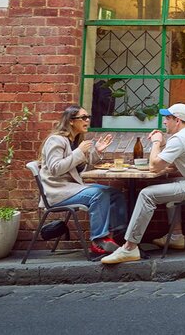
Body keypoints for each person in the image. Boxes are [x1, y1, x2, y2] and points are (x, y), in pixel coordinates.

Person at [101, 103, 185, 264]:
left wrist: (156, 142)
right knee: (170, 185)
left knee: (147, 194)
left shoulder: (180, 138)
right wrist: (164, 145)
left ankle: (129, 247)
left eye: (167, 118)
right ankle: (176, 236)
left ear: (177, 120)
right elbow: (169, 163)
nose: (164, 122)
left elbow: (153, 166)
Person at [38, 105, 127, 256]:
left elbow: (78, 167)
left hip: (71, 188)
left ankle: (114, 235)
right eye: (83, 118)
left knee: (114, 194)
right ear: (71, 121)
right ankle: (98, 240)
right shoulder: (56, 140)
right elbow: (55, 168)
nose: (87, 120)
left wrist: (97, 151)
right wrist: (79, 151)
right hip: (57, 192)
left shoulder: (74, 140)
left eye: (88, 117)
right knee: (99, 194)